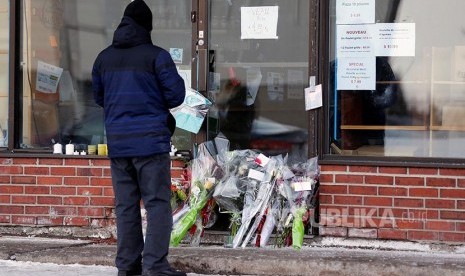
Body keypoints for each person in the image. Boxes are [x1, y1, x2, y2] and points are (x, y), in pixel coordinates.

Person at [91, 1, 186, 276]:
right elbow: (176, 95)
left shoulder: (103, 58)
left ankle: (127, 267)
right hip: (150, 143)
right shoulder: (156, 56)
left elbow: (100, 98)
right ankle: (154, 266)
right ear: (148, 27)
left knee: (126, 206)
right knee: (157, 204)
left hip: (119, 144)